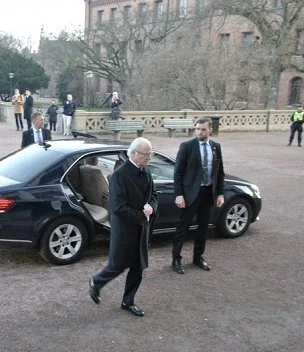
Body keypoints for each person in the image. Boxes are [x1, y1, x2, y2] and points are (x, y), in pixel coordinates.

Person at [88, 138, 159, 317]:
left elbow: (154, 195)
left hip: (141, 228)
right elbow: (118, 207)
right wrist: (142, 215)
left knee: (138, 266)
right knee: (118, 264)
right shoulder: (120, 175)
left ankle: (128, 301)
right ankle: (97, 282)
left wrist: (152, 207)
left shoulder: (146, 171)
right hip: (125, 229)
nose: (149, 158)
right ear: (134, 153)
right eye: (146, 154)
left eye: (150, 154)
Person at [171, 117, 225, 275]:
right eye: (197, 129)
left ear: (210, 130)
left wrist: (220, 193)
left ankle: (198, 257)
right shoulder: (187, 146)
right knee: (183, 227)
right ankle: (176, 259)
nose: (200, 132)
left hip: (208, 193)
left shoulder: (216, 147)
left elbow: (219, 172)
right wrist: (179, 194)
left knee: (203, 228)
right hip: (190, 194)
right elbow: (178, 172)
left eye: (203, 129)